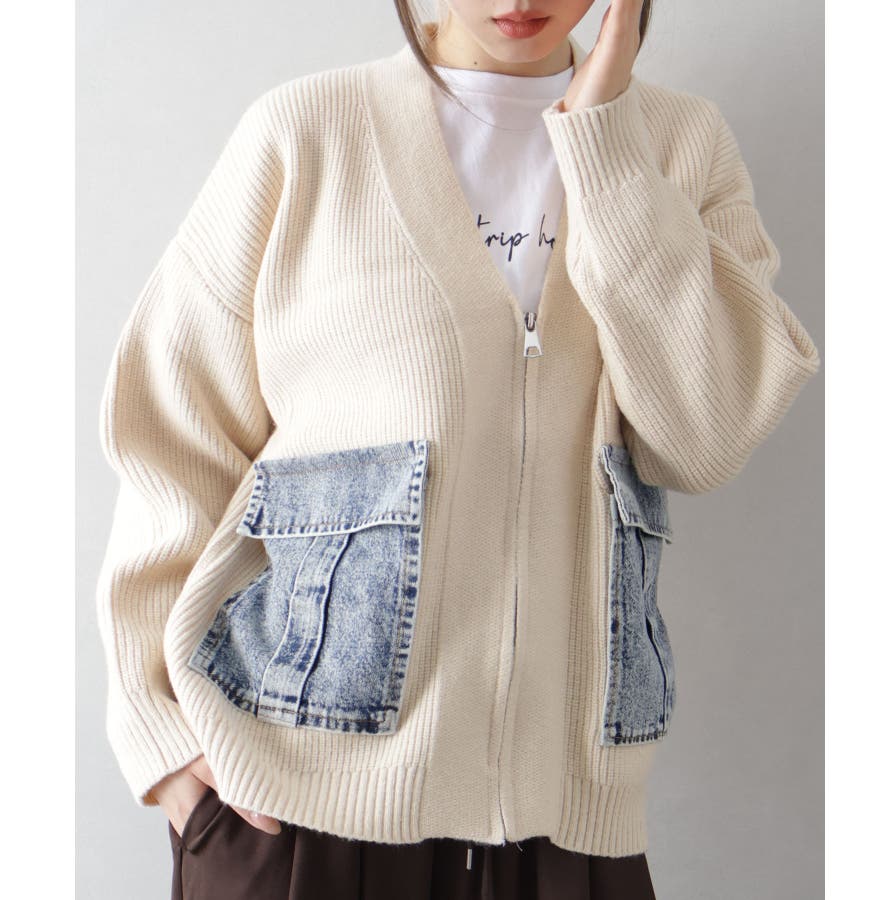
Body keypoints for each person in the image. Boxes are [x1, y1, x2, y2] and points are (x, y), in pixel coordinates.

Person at [95, 1, 821, 898]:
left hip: (565, 830)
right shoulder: (306, 133)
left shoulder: (681, 147)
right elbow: (171, 435)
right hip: (294, 808)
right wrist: (158, 731)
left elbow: (703, 438)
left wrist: (606, 143)